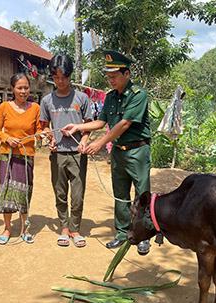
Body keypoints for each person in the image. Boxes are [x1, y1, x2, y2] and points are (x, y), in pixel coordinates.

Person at [63, 50, 151, 255]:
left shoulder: (139, 95)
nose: (110, 80)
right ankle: (122, 234)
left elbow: (124, 124)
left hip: (138, 151)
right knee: (120, 195)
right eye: (108, 76)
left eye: (114, 76)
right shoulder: (110, 97)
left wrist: (100, 143)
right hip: (119, 153)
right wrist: (78, 127)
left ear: (126, 74)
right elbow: (101, 122)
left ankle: (143, 235)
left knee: (142, 194)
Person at [40, 54, 93, 248]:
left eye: (64, 77)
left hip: (78, 154)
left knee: (77, 195)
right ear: (52, 77)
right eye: (56, 78)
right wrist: (50, 138)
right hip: (58, 155)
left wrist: (84, 141)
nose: (60, 81)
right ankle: (63, 227)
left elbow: (89, 125)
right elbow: (44, 126)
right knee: (60, 193)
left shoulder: (82, 98)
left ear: (70, 77)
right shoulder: (47, 101)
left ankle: (75, 229)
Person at [0, 73, 41, 245]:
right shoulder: (4, 107)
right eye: (19, 88)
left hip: (26, 156)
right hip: (8, 155)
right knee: (6, 191)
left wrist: (43, 137)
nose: (23, 91)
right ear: (13, 89)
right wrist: (7, 138)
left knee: (24, 193)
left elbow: (39, 130)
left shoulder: (35, 108)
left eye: (26, 88)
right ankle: (7, 228)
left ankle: (24, 228)